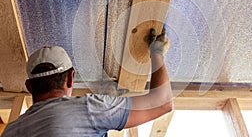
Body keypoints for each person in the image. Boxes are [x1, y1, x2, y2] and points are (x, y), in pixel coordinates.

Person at [2, 29, 172, 137]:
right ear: (71, 78)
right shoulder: (88, 108)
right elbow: (162, 102)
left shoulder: (10, 131)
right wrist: (156, 52)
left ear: (29, 86)